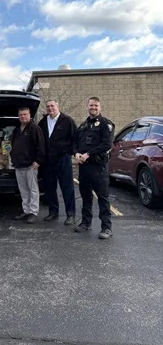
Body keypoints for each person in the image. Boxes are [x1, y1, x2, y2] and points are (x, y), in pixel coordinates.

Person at [73, 97, 115, 239]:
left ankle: (106, 228)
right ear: (87, 107)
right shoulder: (83, 125)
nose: (93, 108)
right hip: (84, 168)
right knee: (85, 196)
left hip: (98, 167)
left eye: (96, 105)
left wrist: (88, 154)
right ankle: (86, 223)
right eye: (91, 105)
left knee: (102, 197)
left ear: (100, 107)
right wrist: (76, 153)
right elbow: (74, 143)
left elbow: (107, 144)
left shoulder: (105, 124)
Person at [38, 100, 77, 225]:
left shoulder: (67, 121)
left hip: (63, 159)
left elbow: (75, 138)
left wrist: (69, 152)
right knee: (49, 187)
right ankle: (53, 212)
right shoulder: (43, 122)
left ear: (57, 106)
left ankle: (70, 214)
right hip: (47, 160)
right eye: (48, 106)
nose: (50, 108)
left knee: (67, 187)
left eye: (52, 106)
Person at [11, 107, 45, 224]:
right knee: (24, 191)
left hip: (31, 165)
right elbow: (12, 146)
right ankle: (26, 210)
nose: (23, 117)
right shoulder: (16, 130)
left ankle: (33, 212)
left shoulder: (35, 129)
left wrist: (38, 161)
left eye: (25, 114)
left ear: (30, 115)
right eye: (20, 115)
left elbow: (41, 146)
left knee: (33, 190)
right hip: (18, 165)